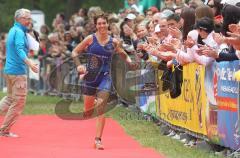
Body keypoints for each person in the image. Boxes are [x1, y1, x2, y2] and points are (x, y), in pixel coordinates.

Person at [71, 14, 137, 150]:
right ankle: (93, 103)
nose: (102, 26)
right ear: (96, 25)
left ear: (108, 24)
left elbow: (122, 52)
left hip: (106, 76)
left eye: (104, 23)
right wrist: (79, 65)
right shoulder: (90, 39)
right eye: (99, 23)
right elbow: (74, 52)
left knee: (101, 108)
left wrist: (130, 62)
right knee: (87, 112)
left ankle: (98, 140)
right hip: (90, 76)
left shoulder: (113, 41)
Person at [0, 8, 39, 137]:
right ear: (20, 19)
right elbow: (19, 49)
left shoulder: (13, 30)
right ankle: (4, 130)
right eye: (27, 18)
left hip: (9, 70)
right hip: (17, 72)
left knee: (10, 98)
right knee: (19, 102)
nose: (29, 20)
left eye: (29, 18)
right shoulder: (19, 32)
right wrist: (30, 64)